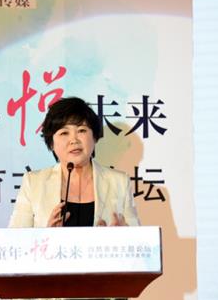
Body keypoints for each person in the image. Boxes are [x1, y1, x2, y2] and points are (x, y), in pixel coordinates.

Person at [9, 96, 140, 228]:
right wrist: (47, 235)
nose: (74, 140)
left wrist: (123, 234)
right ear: (52, 143)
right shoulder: (33, 183)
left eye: (81, 130)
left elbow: (138, 236)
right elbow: (15, 237)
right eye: (64, 133)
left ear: (94, 137)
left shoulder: (119, 182)